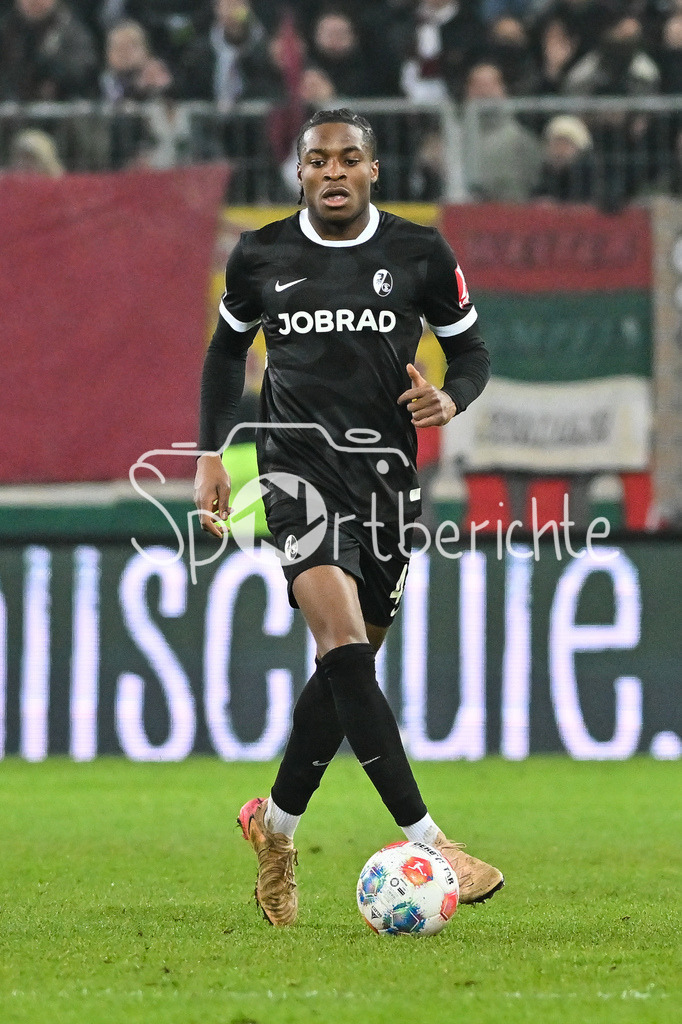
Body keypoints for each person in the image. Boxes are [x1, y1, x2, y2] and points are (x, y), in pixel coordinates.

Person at [193, 107, 504, 927]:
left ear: (374, 171)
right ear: (299, 173)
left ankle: (275, 826)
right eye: (318, 160)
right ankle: (433, 842)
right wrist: (210, 458)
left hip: (388, 483)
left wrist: (450, 396)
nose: (333, 171)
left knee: (345, 676)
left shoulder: (419, 253)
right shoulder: (261, 254)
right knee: (341, 644)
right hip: (294, 470)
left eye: (349, 158)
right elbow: (227, 354)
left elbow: (472, 352)